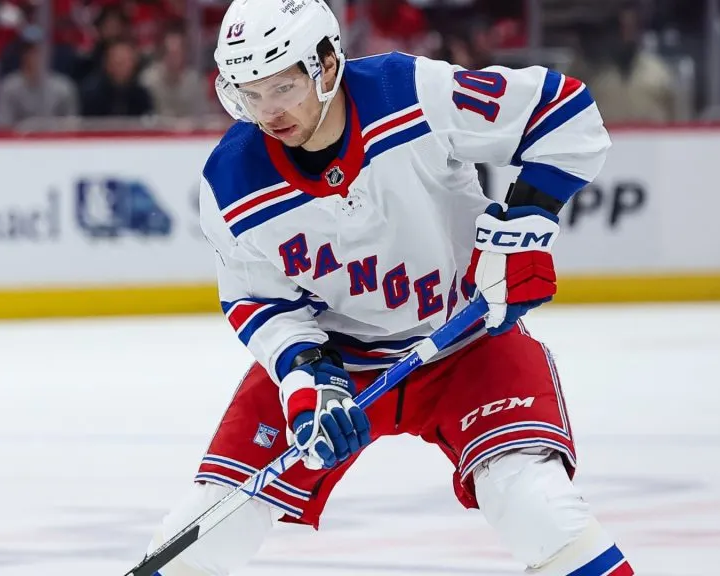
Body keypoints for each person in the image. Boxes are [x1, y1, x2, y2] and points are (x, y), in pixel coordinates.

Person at [145, 1, 629, 575]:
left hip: (464, 339)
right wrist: (309, 384)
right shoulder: (230, 180)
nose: (267, 112)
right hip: (341, 360)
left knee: (535, 503)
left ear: (326, 65)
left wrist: (520, 232)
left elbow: (563, 111)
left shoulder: (411, 93)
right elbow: (259, 300)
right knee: (214, 521)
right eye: (250, 93)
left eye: (280, 87)